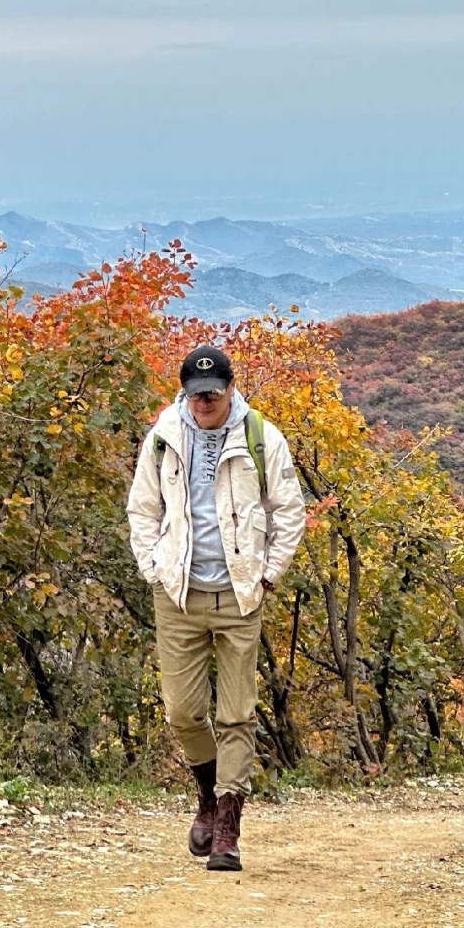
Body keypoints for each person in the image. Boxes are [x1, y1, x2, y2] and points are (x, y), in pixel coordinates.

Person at [125, 344, 306, 871]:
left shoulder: (260, 437)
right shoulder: (163, 438)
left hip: (240, 592)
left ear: (230, 388)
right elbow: (142, 508)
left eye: (213, 390)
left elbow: (289, 511)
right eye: (196, 391)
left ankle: (228, 823)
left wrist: (268, 574)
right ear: (184, 391)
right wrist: (152, 567)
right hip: (179, 593)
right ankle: (207, 793)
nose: (204, 400)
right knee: (182, 712)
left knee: (237, 712)